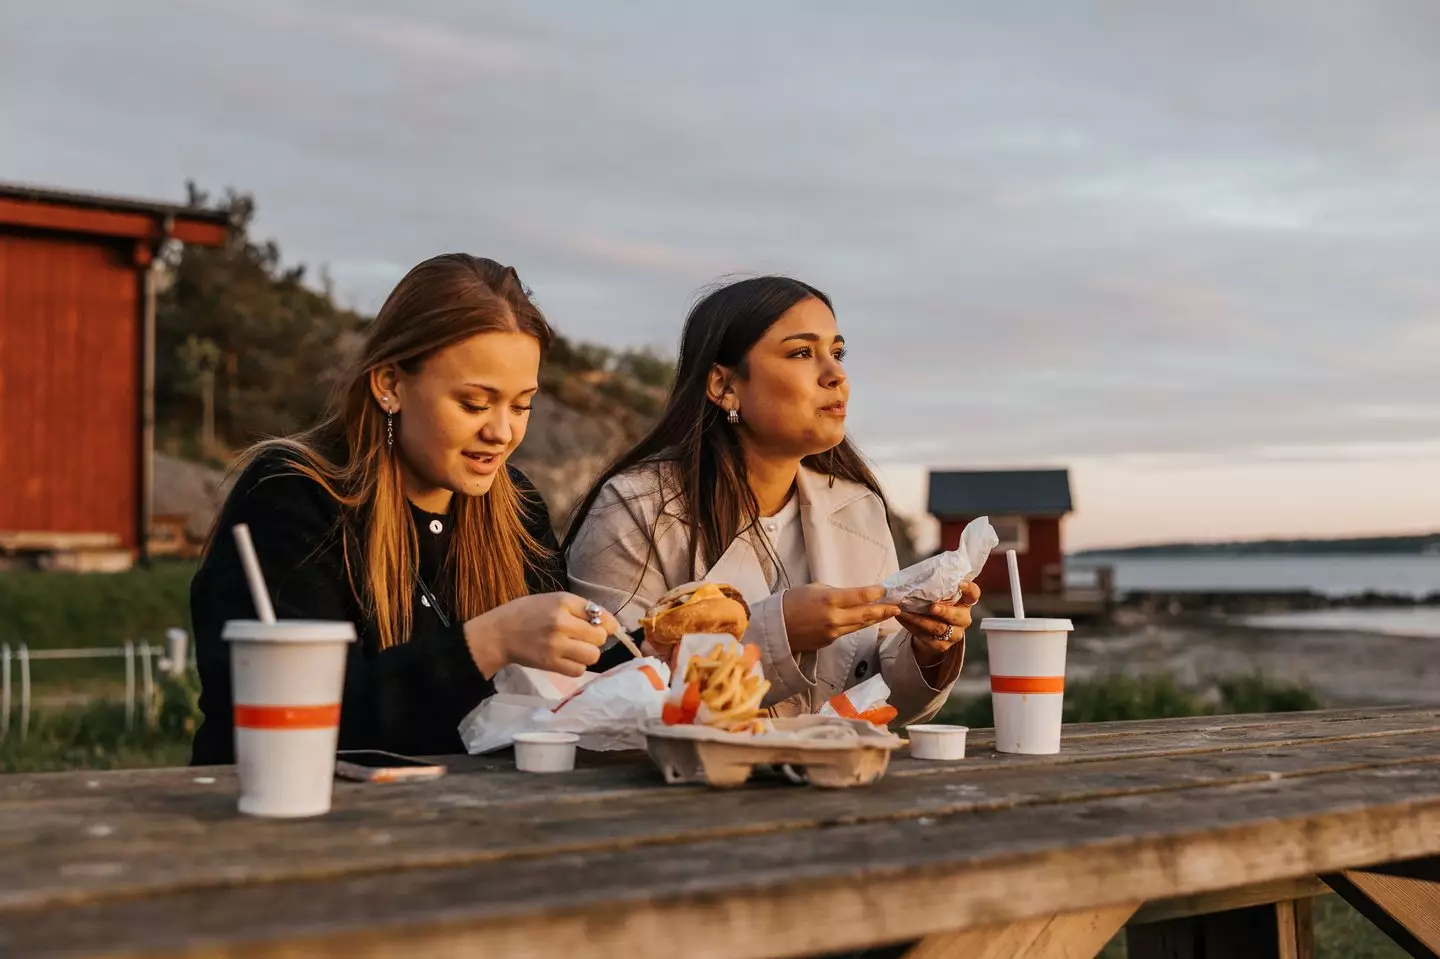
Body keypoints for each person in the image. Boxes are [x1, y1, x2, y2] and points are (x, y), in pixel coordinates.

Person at [190, 254, 620, 764]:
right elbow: (300, 718)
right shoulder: (293, 494)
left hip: (471, 818)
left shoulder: (515, 502)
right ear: (390, 385)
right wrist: (489, 641)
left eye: (521, 405)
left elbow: (564, 677)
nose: (502, 432)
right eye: (475, 403)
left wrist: (658, 645)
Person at [565, 276, 979, 724]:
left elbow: (874, 697)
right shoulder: (635, 508)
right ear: (724, 385)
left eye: (837, 353)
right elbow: (605, 694)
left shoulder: (859, 508)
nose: (835, 374)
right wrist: (775, 634)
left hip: (834, 781)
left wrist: (927, 648)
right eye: (802, 353)